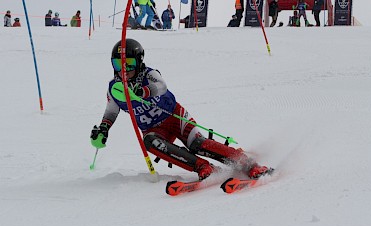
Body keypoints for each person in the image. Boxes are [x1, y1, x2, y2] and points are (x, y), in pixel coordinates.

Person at [90, 39, 271, 181]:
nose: (123, 70)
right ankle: (203, 167)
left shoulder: (149, 75)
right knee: (150, 142)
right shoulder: (115, 88)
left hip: (174, 117)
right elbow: (111, 112)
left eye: (128, 63)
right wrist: (104, 129)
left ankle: (248, 164)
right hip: (154, 129)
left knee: (197, 144)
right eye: (117, 64)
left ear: (139, 62)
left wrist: (141, 92)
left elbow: (160, 86)